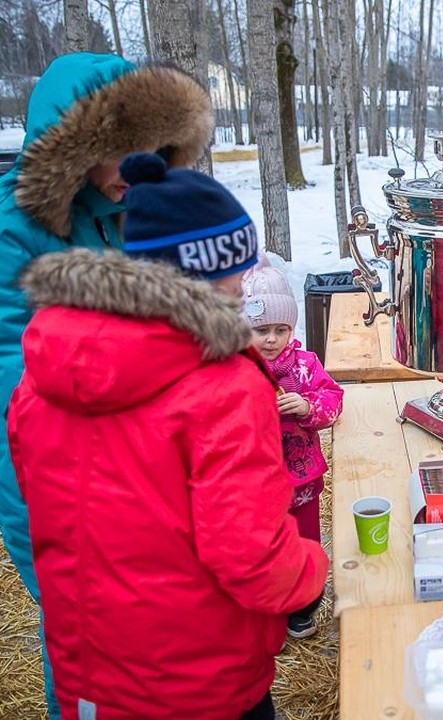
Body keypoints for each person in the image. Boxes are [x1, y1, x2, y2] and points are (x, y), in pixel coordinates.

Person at [7, 152, 327, 720]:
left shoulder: (46, 367)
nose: (243, 286)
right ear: (205, 270)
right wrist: (309, 574)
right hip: (201, 681)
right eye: (237, 269)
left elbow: (52, 508)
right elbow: (249, 555)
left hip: (93, 673)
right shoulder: (221, 383)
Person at [0, 52, 213, 717]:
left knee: (159, 619)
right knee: (87, 629)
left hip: (147, 469)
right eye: (122, 151)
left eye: (155, 150)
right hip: (56, 477)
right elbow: (10, 373)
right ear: (75, 148)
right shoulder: (18, 230)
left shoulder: (141, 207)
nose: (139, 168)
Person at [241, 264, 344, 638]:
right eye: (261, 330)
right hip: (255, 487)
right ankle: (269, 617)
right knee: (265, 551)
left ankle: (303, 610)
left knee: (305, 545)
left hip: (301, 478)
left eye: (280, 330)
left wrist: (308, 407)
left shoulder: (304, 367)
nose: (271, 339)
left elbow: (333, 398)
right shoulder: (237, 369)